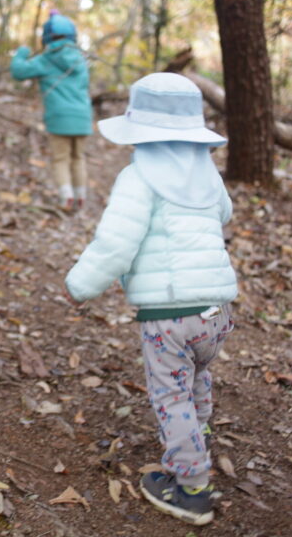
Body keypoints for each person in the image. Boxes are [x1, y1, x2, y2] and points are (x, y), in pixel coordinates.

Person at [63, 73, 238, 526]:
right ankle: (196, 437)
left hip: (169, 316)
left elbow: (115, 245)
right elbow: (225, 213)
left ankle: (192, 487)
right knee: (196, 378)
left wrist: (81, 284)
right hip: (217, 313)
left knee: (170, 394)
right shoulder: (208, 174)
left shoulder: (138, 177)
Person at [10, 11, 93, 211]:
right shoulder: (81, 60)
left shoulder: (46, 59)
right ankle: (81, 195)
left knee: (61, 158)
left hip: (59, 119)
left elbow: (19, 72)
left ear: (47, 37)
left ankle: (66, 197)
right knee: (78, 157)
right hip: (82, 118)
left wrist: (21, 53)